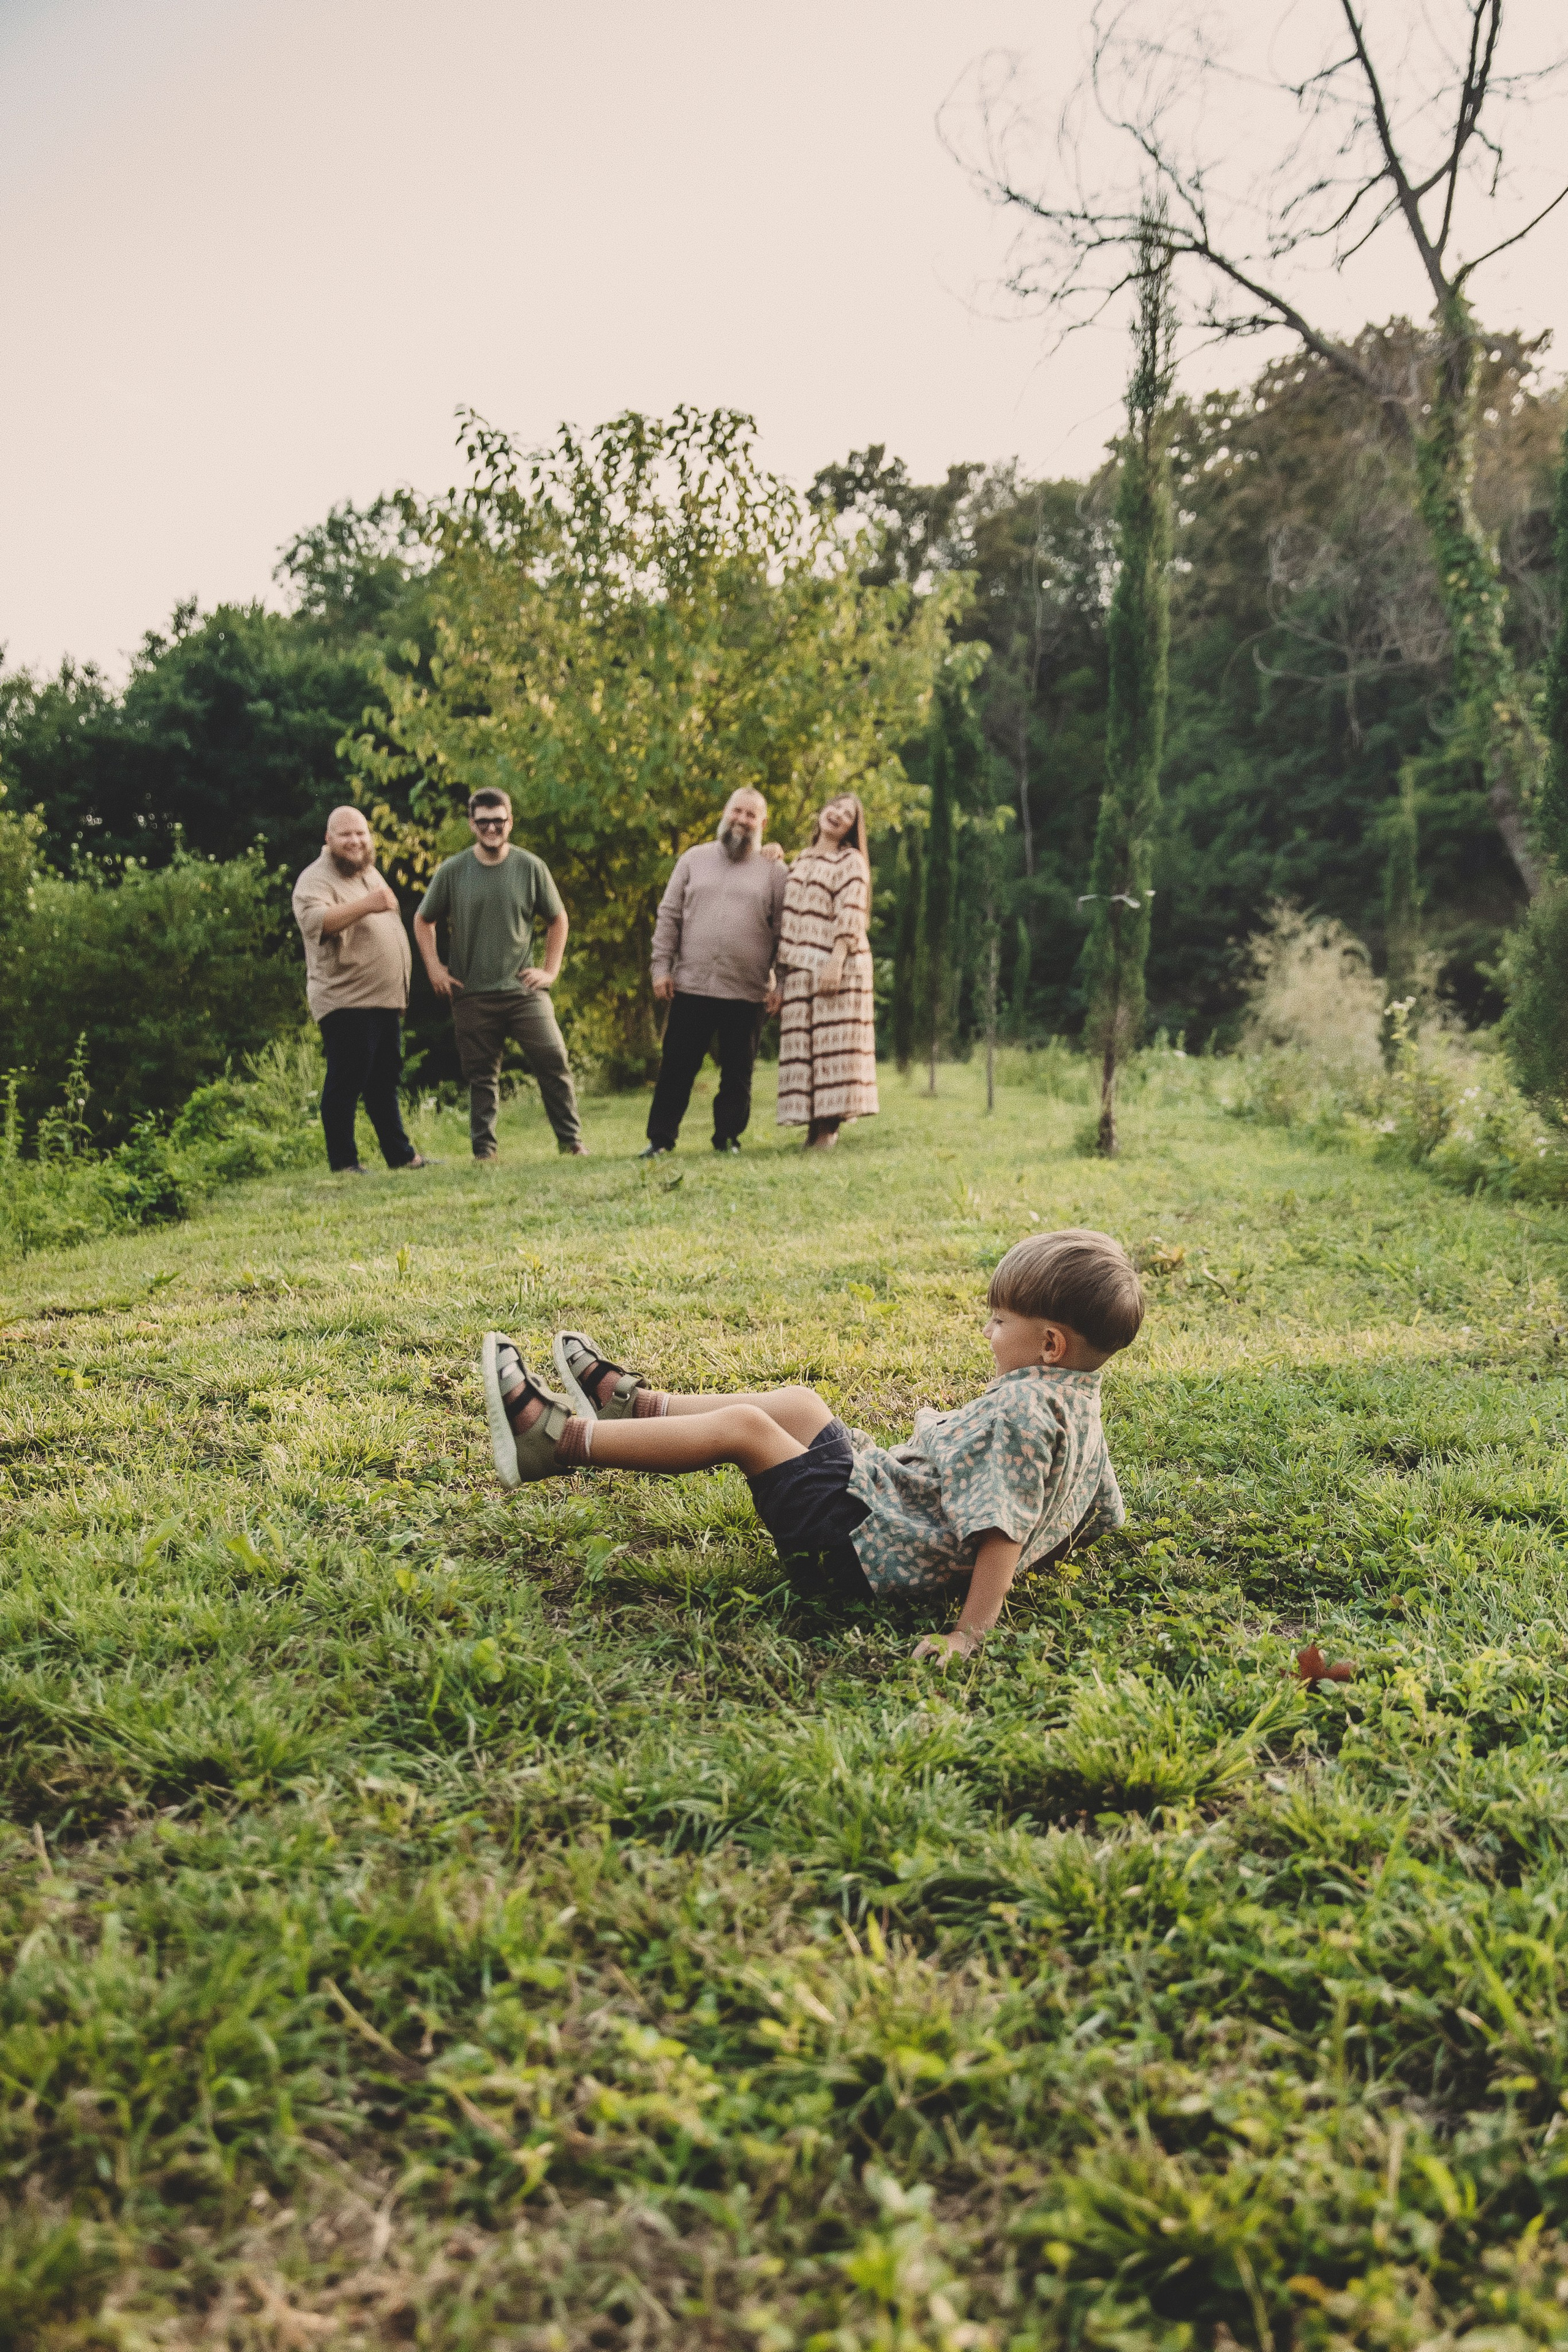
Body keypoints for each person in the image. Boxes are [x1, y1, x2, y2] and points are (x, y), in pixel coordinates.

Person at [478, 1227, 1141, 1667]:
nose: (987, 1332)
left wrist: (969, 1633)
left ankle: (556, 1442)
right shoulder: (1077, 1396)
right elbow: (1098, 1501)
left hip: (854, 1548)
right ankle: (635, 1408)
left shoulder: (1021, 1410)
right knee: (800, 1403)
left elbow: (1002, 1529)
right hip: (879, 1507)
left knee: (746, 1427)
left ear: (1050, 1344)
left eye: (999, 1321)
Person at [414, 789, 587, 1162]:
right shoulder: (453, 871)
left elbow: (558, 918)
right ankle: (485, 1151)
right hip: (471, 990)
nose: (492, 827)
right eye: (484, 821)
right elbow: (422, 918)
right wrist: (434, 967)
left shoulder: (530, 867)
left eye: (499, 820)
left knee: (553, 1057)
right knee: (481, 1074)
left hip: (523, 989)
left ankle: (571, 1142)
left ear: (511, 821)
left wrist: (550, 970)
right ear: (472, 824)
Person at [641, 787, 788, 1159]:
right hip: (692, 984)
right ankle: (660, 1140)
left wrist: (782, 983)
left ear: (763, 823)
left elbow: (785, 931)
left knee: (738, 1073)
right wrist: (661, 967)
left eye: (751, 815)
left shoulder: (775, 871)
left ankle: (727, 1139)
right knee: (677, 1068)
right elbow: (669, 914)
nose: (742, 819)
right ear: (725, 813)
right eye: (737, 811)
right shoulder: (694, 858)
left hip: (749, 989)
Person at [291, 805, 433, 1176]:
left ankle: (401, 1156)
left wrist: (399, 992)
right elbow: (317, 923)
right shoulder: (315, 879)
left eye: (361, 833)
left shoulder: (366, 872)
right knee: (347, 1080)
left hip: (383, 1000)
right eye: (345, 834)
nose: (355, 841)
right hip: (346, 999)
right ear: (328, 838)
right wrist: (369, 904)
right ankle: (344, 1163)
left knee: (384, 1082)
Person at [777, 791, 879, 1150]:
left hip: (840, 964)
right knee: (807, 1051)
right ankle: (814, 1131)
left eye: (848, 815)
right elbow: (785, 917)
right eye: (834, 806)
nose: (838, 815)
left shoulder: (851, 861)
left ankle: (827, 1133)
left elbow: (851, 913)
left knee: (833, 1050)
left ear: (852, 828)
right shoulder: (800, 860)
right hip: (800, 968)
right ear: (822, 809)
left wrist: (835, 963)